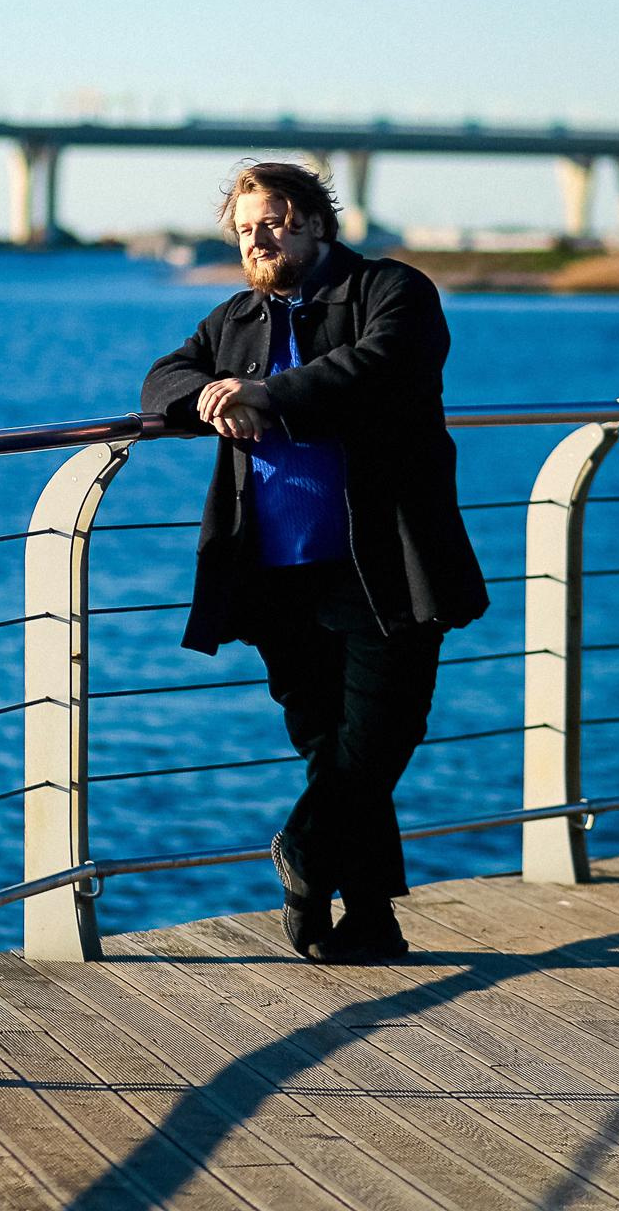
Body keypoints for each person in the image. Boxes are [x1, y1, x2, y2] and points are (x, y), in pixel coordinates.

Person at [141, 160, 488, 963]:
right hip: (273, 573)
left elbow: (381, 365)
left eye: (272, 223)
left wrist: (269, 396)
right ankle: (366, 919)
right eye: (244, 229)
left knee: (384, 731)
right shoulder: (235, 320)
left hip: (384, 562)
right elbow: (165, 376)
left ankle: (303, 851)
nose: (257, 240)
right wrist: (209, 396)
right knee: (332, 748)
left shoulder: (391, 290)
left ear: (316, 222)